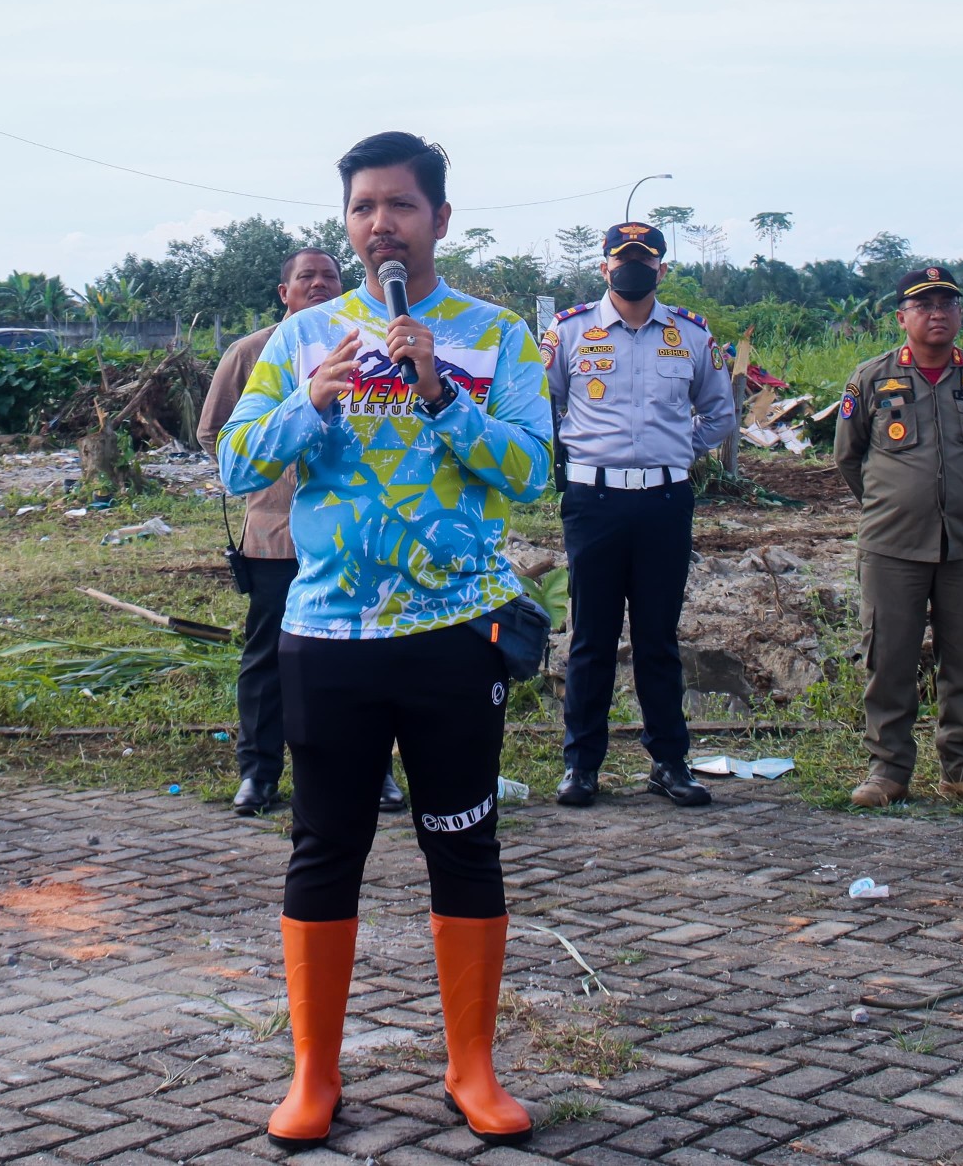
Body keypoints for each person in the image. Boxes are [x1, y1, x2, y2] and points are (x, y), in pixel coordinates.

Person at [219, 132, 550, 1150]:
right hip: (327, 635)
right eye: (363, 207)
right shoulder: (303, 337)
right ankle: (314, 1076)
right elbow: (236, 464)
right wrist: (310, 403)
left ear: (438, 220)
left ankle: (473, 1070)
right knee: (325, 850)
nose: (379, 225)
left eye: (399, 206)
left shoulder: (497, 339)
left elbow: (532, 470)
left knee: (465, 848)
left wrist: (442, 397)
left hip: (454, 633)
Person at [196, 249, 407, 818]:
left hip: (346, 534)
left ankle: (375, 772)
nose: (319, 285)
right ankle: (258, 775)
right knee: (268, 656)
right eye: (305, 278)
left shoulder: (366, 342)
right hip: (274, 531)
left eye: (330, 277)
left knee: (359, 653)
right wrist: (278, 446)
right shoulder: (250, 353)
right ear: (283, 291)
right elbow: (217, 432)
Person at [545, 222, 738, 808]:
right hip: (593, 501)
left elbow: (721, 413)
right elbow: (544, 402)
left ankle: (670, 763)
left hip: (663, 500)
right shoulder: (571, 331)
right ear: (605, 267)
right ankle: (581, 767)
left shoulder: (691, 336)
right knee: (591, 640)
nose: (633, 267)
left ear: (661, 269)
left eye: (644, 259)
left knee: (658, 637)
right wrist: (577, 449)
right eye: (622, 259)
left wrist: (678, 446)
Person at [833, 266, 963, 809]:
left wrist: (960, 497)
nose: (937, 313)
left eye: (947, 303)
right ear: (902, 317)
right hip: (892, 545)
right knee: (888, 660)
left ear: (960, 314)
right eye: (924, 304)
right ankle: (888, 772)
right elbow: (849, 459)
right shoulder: (870, 379)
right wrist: (894, 503)